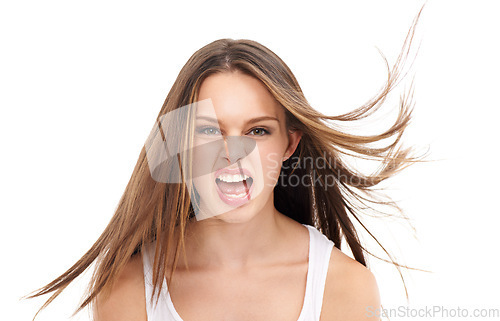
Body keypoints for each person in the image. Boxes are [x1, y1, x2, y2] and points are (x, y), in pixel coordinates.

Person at [27, 11, 425, 321]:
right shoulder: (128, 289)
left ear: (289, 143)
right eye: (208, 131)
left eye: (256, 131)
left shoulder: (345, 288)